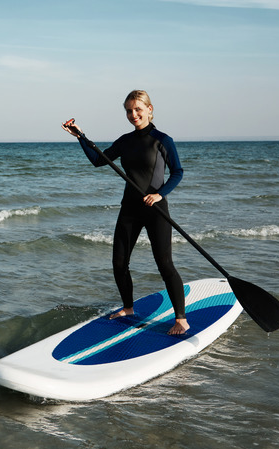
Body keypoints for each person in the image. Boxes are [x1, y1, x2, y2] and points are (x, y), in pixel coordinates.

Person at [62, 90, 189, 335]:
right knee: (119, 263)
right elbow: (99, 160)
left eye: (138, 109)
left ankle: (181, 319)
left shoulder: (162, 140)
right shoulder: (125, 140)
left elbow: (178, 172)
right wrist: (81, 137)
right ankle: (128, 308)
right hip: (130, 208)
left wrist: (160, 194)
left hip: (155, 209)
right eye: (129, 111)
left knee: (164, 264)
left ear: (150, 110)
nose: (133, 114)